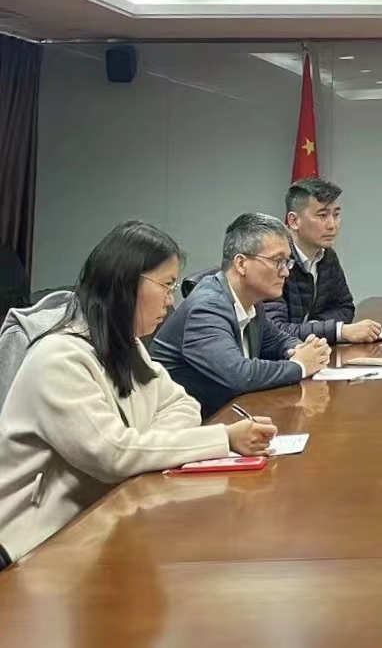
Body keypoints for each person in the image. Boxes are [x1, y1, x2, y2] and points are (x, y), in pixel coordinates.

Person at [0, 222, 277, 566]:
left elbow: (183, 404)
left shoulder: (127, 347)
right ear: (127, 283)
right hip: (30, 546)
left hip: (94, 525)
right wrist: (224, 438)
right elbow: (113, 455)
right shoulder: (59, 358)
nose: (170, 300)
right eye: (166, 284)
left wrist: (144, 443)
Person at [151, 214, 331, 419]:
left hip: (230, 415)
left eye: (287, 262)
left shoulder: (251, 301)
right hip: (189, 425)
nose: (286, 272)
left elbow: (277, 340)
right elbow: (238, 375)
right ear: (241, 263)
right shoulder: (207, 307)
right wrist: (300, 366)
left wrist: (303, 349)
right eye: (277, 261)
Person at [264, 178, 382, 345]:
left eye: (336, 215)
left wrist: (317, 328)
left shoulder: (327, 256)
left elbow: (344, 307)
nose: (332, 225)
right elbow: (275, 330)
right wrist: (338, 331)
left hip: (313, 350)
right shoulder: (273, 260)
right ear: (294, 221)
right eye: (322, 215)